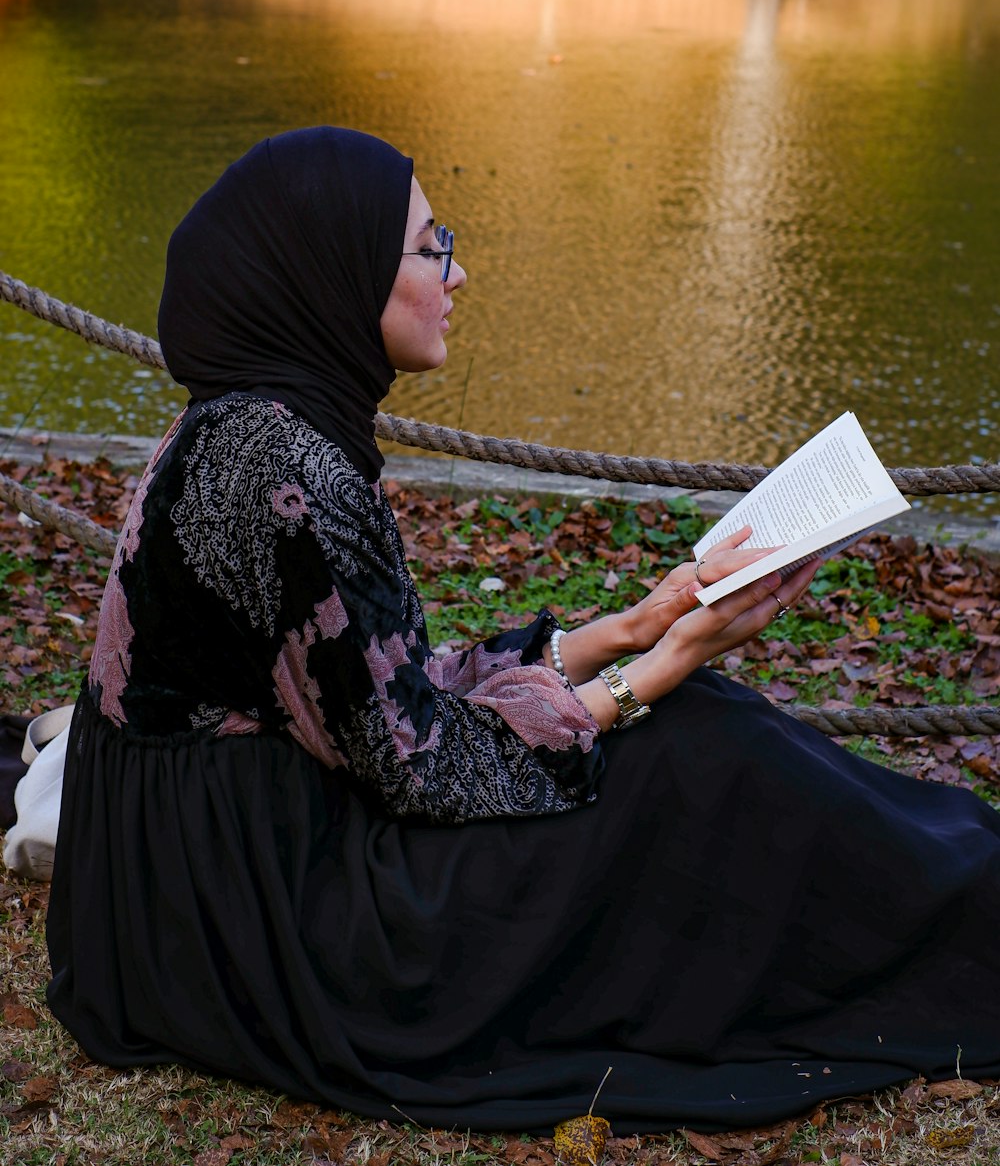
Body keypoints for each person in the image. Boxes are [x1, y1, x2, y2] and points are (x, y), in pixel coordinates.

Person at [46, 127, 1000, 1139]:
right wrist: (656, 671)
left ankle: (960, 879)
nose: (461, 271)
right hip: (283, 922)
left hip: (179, 893)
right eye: (429, 247)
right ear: (336, 270)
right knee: (691, 751)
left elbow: (379, 689)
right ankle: (967, 918)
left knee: (692, 729)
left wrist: (634, 624)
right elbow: (422, 768)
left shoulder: (241, 422)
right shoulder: (295, 474)